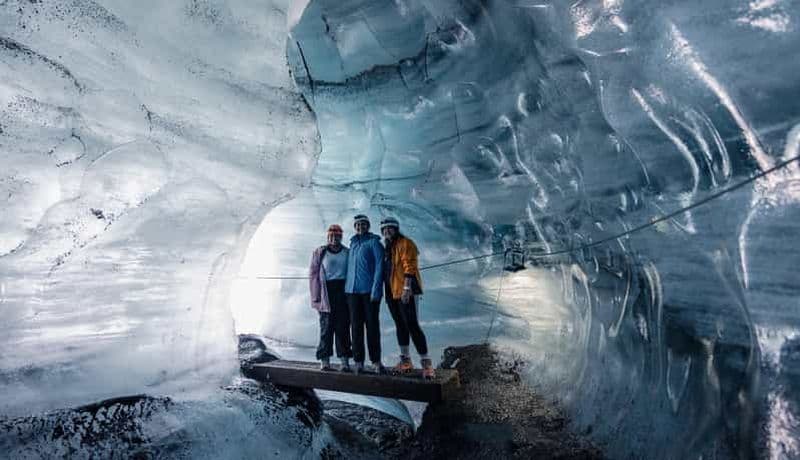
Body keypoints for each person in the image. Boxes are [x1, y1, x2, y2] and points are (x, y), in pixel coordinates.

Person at [380, 217, 435, 379]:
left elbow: (409, 266)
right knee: (400, 325)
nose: (387, 231)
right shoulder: (388, 247)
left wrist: (406, 288)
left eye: (390, 228)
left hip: (406, 290)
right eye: (384, 229)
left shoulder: (406, 243)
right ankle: (406, 361)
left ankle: (426, 364)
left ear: (396, 229)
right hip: (391, 291)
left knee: (412, 324)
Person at [345, 214, 385, 374]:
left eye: (363, 224)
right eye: (357, 225)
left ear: (368, 226)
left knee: (372, 326)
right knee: (355, 327)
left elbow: (380, 267)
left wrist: (376, 289)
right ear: (355, 227)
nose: (360, 227)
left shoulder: (374, 243)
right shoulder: (353, 244)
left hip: (369, 292)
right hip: (352, 292)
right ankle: (358, 361)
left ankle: (376, 361)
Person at [309, 224, 353, 371]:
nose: (334, 238)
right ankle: (324, 360)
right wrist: (315, 297)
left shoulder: (347, 252)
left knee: (343, 328)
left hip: (343, 291)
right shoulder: (320, 252)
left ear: (341, 237)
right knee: (326, 328)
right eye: (331, 236)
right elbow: (313, 275)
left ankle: (344, 361)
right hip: (326, 292)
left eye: (337, 236)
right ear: (328, 237)